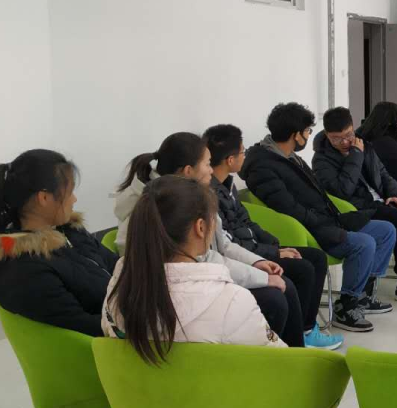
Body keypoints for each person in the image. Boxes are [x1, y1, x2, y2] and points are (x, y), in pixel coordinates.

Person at [101, 175, 317, 408]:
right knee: (306, 390)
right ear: (201, 228)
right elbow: (283, 369)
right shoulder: (229, 300)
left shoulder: (118, 289)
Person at [115, 132, 307, 348]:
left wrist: (256, 263)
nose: (211, 170)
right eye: (207, 164)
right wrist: (259, 275)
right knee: (276, 298)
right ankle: (300, 355)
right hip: (194, 290)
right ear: (188, 171)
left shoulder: (114, 293)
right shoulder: (159, 209)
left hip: (192, 294)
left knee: (281, 287)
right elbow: (209, 258)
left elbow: (220, 247)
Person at [239, 102, 396, 333]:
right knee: (364, 243)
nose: (308, 136)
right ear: (296, 135)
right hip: (311, 228)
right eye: (307, 131)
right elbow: (289, 209)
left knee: (386, 230)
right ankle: (346, 306)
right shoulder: (264, 166)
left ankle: (362, 293)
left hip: (326, 219)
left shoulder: (288, 157)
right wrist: (324, 221)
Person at [203, 124, 342, 350]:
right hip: (244, 257)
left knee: (316, 257)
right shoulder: (209, 196)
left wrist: (276, 247)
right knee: (303, 269)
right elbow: (229, 245)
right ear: (230, 160)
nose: (245, 155)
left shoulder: (228, 186)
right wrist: (272, 253)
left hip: (254, 249)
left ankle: (307, 329)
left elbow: (247, 222)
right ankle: (299, 336)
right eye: (242, 151)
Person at [0, 150, 114, 335]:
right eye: (69, 192)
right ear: (44, 198)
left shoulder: (69, 230)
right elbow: (85, 327)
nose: (74, 199)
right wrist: (139, 321)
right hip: (112, 343)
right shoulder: (25, 269)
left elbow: (115, 264)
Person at [314, 107, 397, 304]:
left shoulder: (365, 145)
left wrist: (395, 195)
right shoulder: (322, 159)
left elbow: (383, 174)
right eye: (336, 139)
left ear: (353, 127)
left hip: (383, 200)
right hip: (359, 208)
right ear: (326, 135)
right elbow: (342, 191)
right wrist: (355, 156)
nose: (345, 142)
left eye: (348, 135)